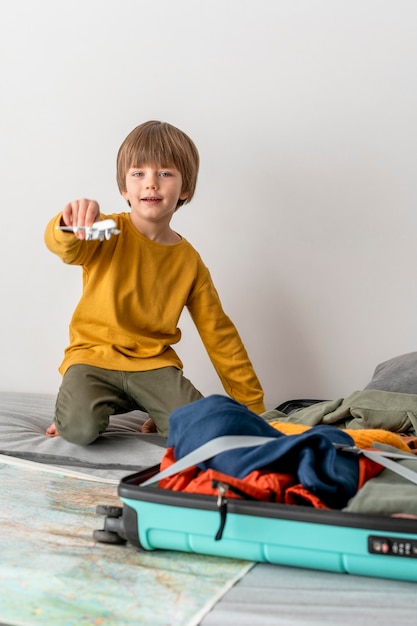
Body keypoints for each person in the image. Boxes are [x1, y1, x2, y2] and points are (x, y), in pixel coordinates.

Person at [44, 120, 265, 445]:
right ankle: (77, 408)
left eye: (165, 173)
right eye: (138, 174)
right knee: (78, 428)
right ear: (124, 190)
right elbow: (67, 246)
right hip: (93, 358)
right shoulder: (108, 229)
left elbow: (220, 334)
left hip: (153, 366)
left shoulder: (189, 261)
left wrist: (254, 407)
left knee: (201, 430)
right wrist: (68, 222)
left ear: (185, 188)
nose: (151, 184)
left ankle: (154, 405)